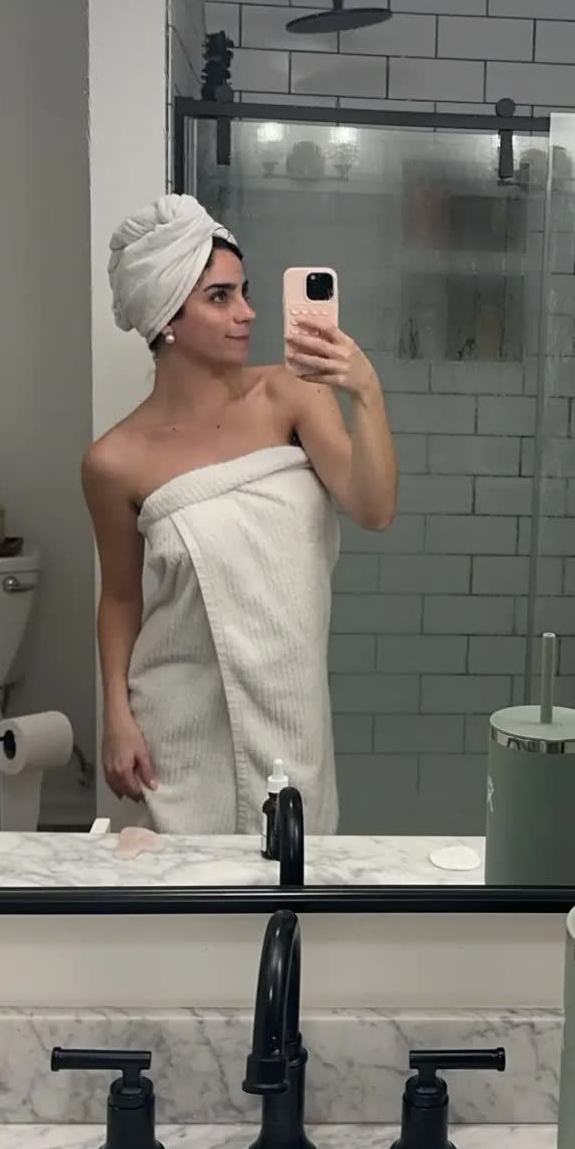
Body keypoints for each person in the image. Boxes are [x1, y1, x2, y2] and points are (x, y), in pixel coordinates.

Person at [82, 193, 397, 837]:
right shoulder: (115, 461)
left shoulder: (291, 393)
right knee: (183, 894)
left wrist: (365, 389)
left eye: (244, 293)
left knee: (291, 872)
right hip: (177, 728)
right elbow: (120, 598)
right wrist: (117, 714)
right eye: (220, 297)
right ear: (166, 317)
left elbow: (374, 508)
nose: (247, 313)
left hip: (290, 715)